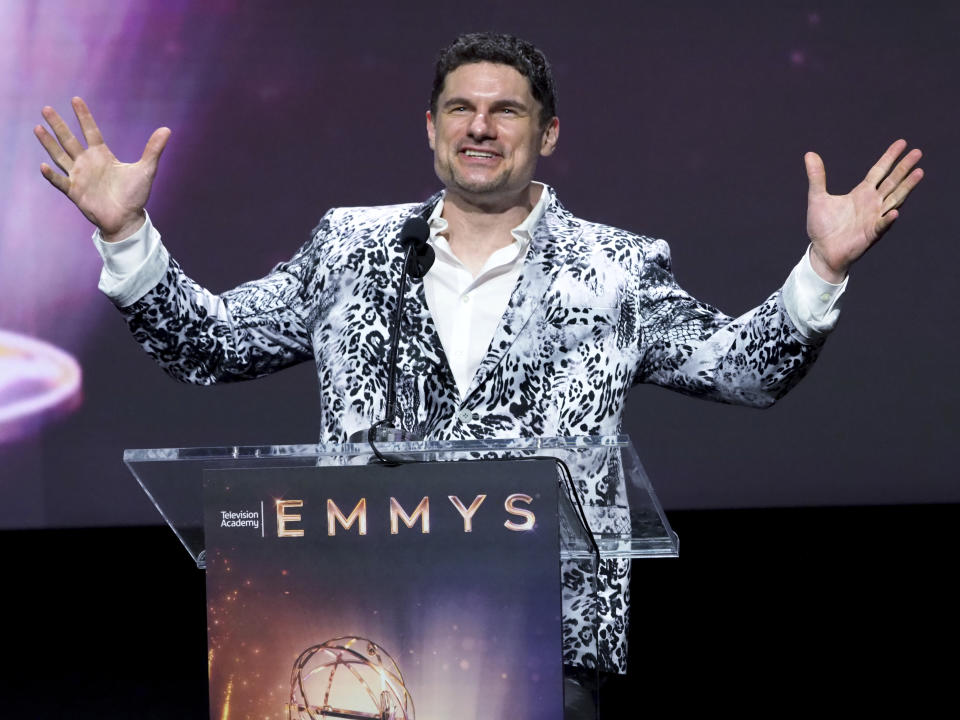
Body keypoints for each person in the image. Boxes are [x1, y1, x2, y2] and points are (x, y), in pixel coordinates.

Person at [35, 32, 922, 680]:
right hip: (351, 636)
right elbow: (213, 344)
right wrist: (127, 238)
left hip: (539, 646)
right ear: (430, 127)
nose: (481, 127)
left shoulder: (616, 269)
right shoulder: (351, 246)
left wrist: (821, 269)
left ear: (548, 132)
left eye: (507, 110)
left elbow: (743, 369)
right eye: (460, 108)